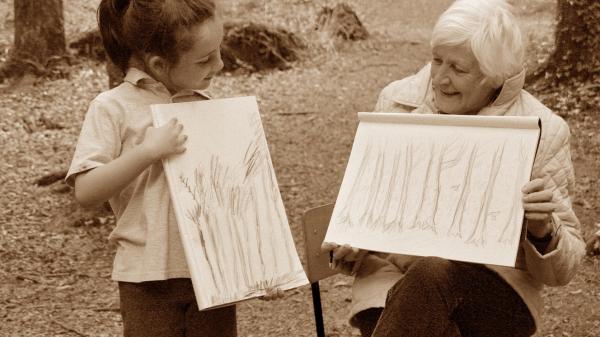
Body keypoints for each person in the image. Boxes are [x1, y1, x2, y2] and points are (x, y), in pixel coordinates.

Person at [323, 1, 586, 336]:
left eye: (458, 69)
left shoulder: (543, 129)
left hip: (495, 290)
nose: (440, 78)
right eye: (436, 60)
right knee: (422, 298)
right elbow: (359, 212)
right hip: (393, 280)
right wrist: (350, 240)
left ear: (495, 76)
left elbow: (562, 271)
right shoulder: (396, 104)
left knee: (431, 275)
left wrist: (542, 230)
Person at [66, 1, 281, 336]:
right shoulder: (112, 108)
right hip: (146, 278)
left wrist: (263, 266)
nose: (220, 64)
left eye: (218, 50)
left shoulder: (207, 107)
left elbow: (233, 200)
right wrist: (147, 152)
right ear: (159, 64)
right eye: (204, 59)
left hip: (213, 273)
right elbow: (86, 191)